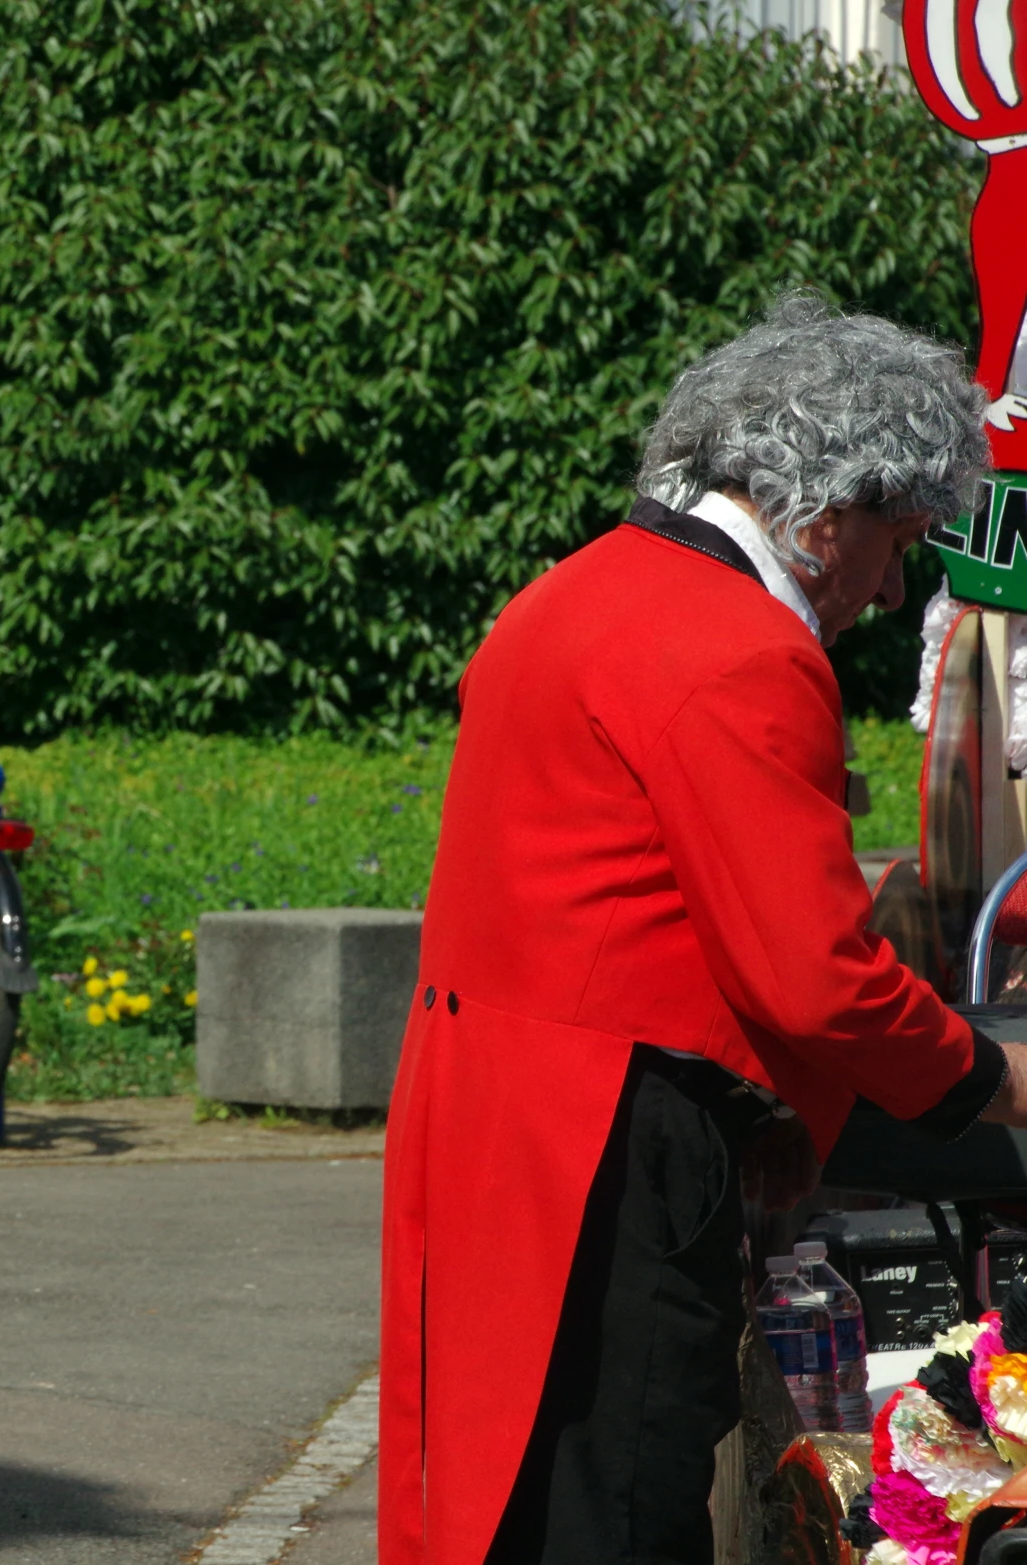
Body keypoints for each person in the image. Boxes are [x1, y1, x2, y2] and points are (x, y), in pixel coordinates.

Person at [380, 294, 1027, 1565]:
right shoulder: (737, 649)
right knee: (619, 1499)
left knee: (510, 1493)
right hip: (609, 1138)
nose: (894, 586)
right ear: (824, 512)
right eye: (893, 544)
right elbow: (813, 979)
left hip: (502, 1107)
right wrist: (990, 1074)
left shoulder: (579, 587)